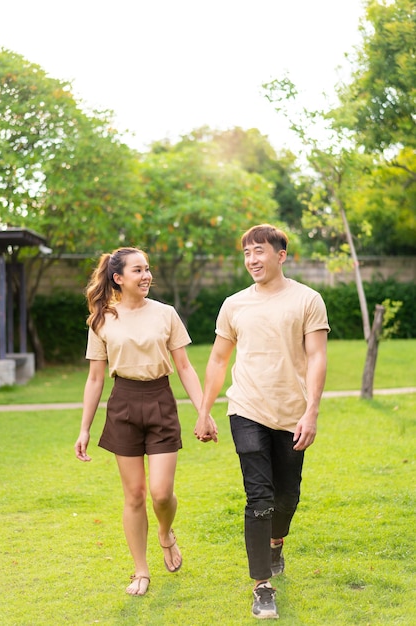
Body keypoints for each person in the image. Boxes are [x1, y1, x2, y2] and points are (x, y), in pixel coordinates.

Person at [195, 224, 330, 620]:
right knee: (259, 498)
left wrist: (312, 410)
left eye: (259, 251)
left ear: (281, 255)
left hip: (292, 412)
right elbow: (219, 359)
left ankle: (276, 543)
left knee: (288, 496)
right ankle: (262, 586)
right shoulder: (234, 304)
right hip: (247, 409)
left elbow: (318, 356)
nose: (252, 259)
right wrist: (205, 409)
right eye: (246, 253)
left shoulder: (308, 299)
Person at [74, 246, 216, 597]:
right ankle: (141, 570)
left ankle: (165, 532)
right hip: (122, 403)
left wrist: (203, 411)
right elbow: (95, 378)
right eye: (138, 270)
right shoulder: (102, 319)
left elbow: (184, 366)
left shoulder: (166, 313)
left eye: (148, 269)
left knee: (161, 492)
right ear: (118, 278)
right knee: (135, 495)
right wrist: (84, 428)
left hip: (160, 401)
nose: (146, 275)